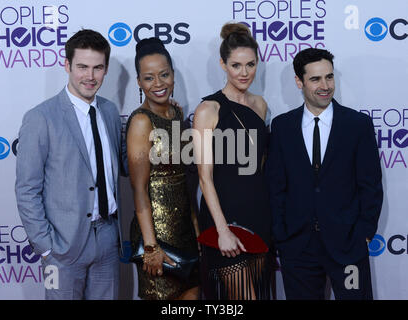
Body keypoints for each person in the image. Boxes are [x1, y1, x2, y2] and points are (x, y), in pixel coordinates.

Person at [15, 29, 125, 300]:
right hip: (62, 246)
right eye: (82, 67)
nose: (90, 76)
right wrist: (46, 247)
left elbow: (123, 165)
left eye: (97, 68)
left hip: (108, 238)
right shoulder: (41, 117)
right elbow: (27, 189)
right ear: (67, 65)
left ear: (106, 69)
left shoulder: (110, 112)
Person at [266, 48, 383, 300]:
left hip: (349, 244)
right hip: (297, 248)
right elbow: (276, 186)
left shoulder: (357, 125)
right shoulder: (283, 126)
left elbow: (370, 185)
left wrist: (363, 234)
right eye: (316, 79)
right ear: (299, 81)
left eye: (329, 77)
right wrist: (281, 234)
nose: (325, 86)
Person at [193, 23, 274, 300]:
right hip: (223, 218)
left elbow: (258, 165)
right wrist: (222, 230)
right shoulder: (208, 109)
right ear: (223, 64)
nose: (244, 73)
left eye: (250, 64)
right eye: (236, 65)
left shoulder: (261, 105)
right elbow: (204, 178)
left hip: (259, 214)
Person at [126, 37, 199, 300]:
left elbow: (183, 178)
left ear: (173, 75)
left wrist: (195, 226)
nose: (158, 84)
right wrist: (151, 247)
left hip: (185, 229)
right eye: (148, 78)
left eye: (164, 74)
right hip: (156, 234)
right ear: (138, 82)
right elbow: (139, 190)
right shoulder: (141, 122)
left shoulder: (177, 114)